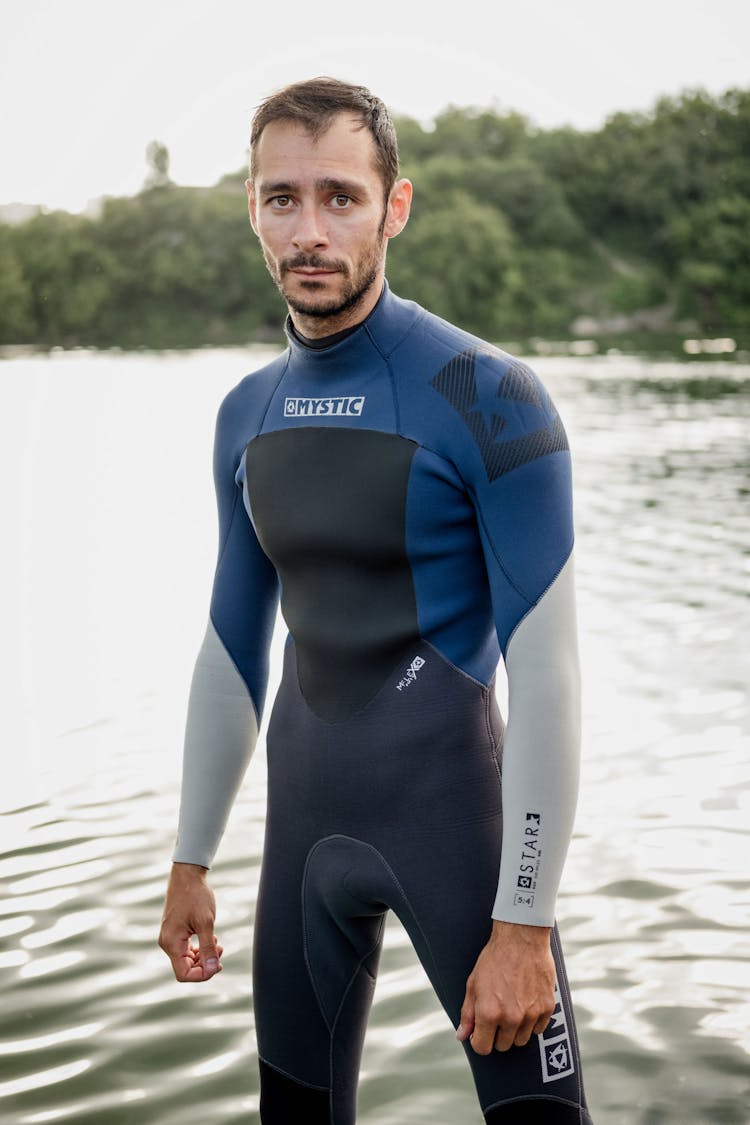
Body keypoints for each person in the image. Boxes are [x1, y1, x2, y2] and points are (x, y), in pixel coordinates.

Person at [158, 76, 593, 1125]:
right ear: (252, 209)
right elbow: (229, 647)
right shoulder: (244, 415)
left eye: (341, 197)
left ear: (395, 207)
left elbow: (550, 674)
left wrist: (525, 926)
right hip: (299, 849)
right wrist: (190, 857)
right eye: (283, 198)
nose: (310, 230)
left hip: (464, 841)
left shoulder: (489, 398)